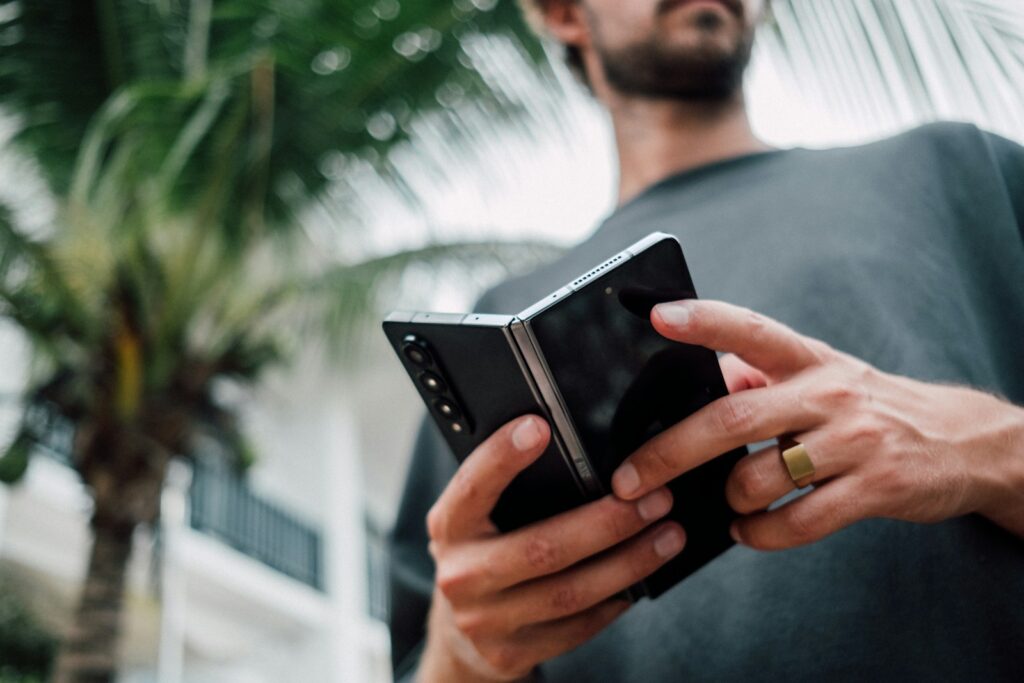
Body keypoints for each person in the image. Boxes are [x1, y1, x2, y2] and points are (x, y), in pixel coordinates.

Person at [388, 1, 1024, 680]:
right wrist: (461, 654)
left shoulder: (959, 170)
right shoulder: (494, 330)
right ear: (565, 13)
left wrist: (984, 446)